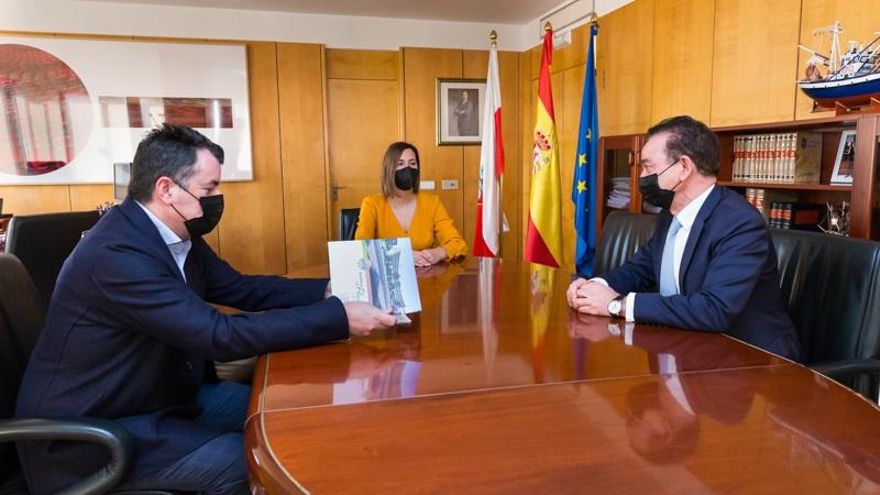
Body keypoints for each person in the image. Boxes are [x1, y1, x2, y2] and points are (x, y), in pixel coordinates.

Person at [15, 124, 397, 495]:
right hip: (94, 434)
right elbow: (218, 335)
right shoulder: (116, 254)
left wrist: (327, 290)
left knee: (284, 415)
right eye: (209, 188)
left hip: (161, 397)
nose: (217, 198)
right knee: (250, 462)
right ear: (166, 189)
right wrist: (338, 316)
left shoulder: (174, 234)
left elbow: (241, 288)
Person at [566, 115, 802, 362]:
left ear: (684, 168)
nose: (641, 177)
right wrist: (593, 288)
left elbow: (714, 309)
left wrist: (617, 305)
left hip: (750, 362)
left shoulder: (740, 223)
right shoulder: (671, 215)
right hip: (688, 349)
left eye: (648, 167)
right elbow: (640, 269)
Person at [355, 141, 467, 267]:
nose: (407, 169)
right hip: (387, 275)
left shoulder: (432, 203)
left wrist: (439, 252)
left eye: (412, 163)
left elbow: (458, 244)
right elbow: (361, 248)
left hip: (426, 274)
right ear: (389, 169)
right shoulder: (371, 204)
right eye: (400, 164)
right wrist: (404, 255)